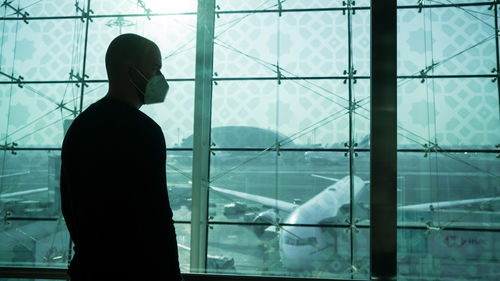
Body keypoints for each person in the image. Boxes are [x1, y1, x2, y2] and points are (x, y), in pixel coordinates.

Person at [60, 33, 182, 280]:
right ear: (130, 70)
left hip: (90, 269)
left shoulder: (79, 127)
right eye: (155, 68)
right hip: (137, 271)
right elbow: (156, 216)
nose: (160, 77)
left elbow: (69, 205)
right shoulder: (145, 131)